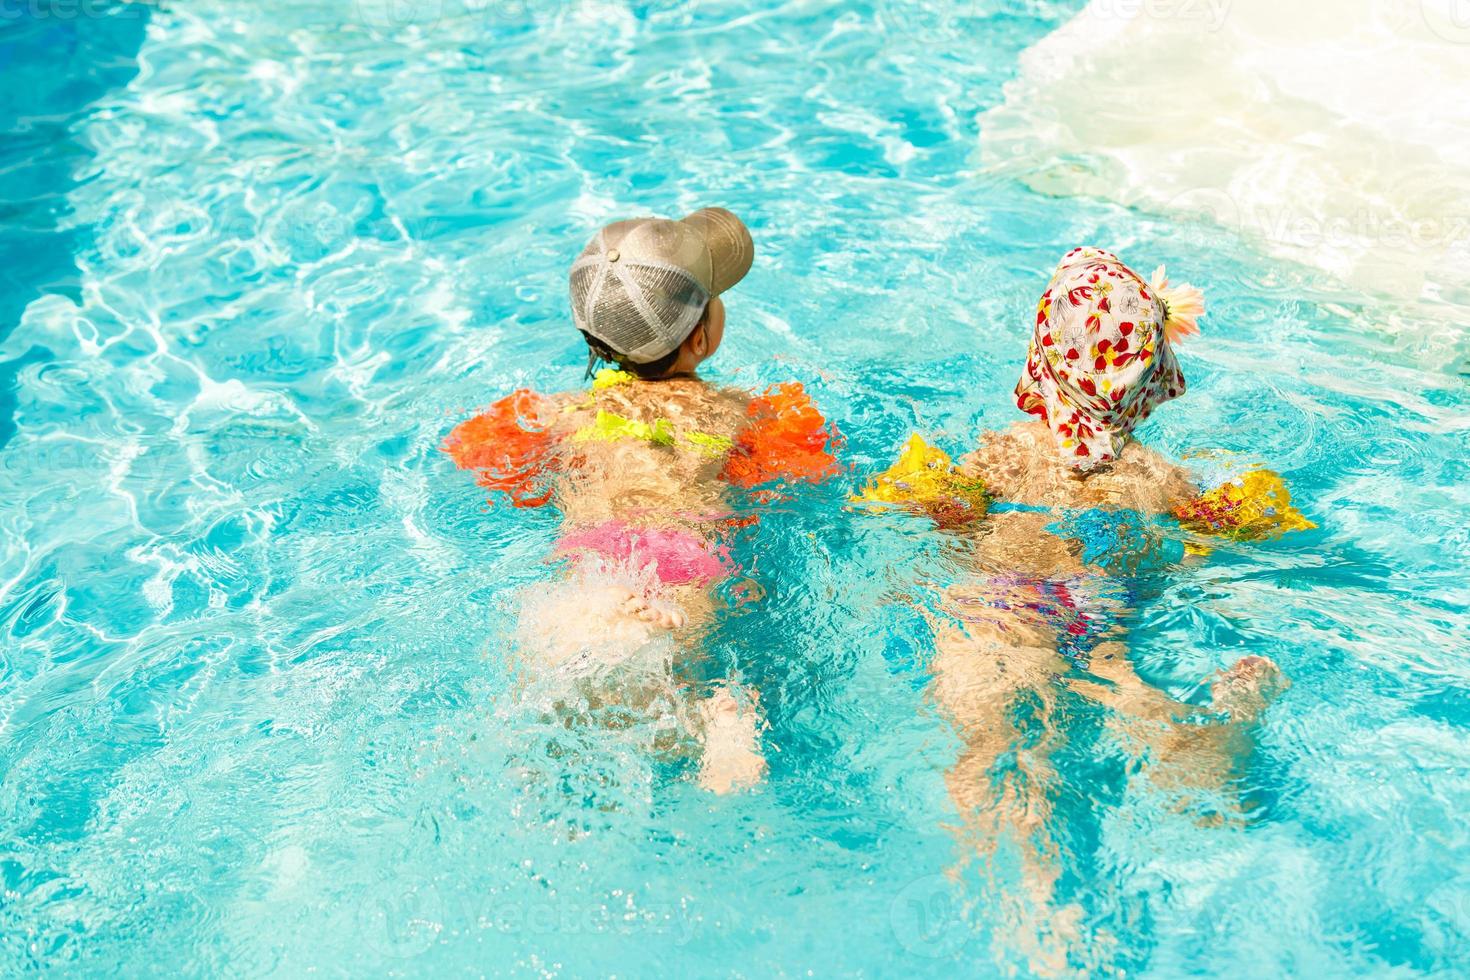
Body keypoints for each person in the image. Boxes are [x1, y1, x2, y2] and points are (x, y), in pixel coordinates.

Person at [854, 247, 1310, 943]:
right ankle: (1196, 737)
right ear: (1150, 381)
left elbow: (945, 510)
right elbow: (1219, 529)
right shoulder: (1158, 475)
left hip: (1000, 606)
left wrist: (929, 501)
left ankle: (1009, 887)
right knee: (1116, 682)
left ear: (1041, 359)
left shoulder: (1003, 453)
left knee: (993, 739)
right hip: (1094, 601)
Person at [444, 208, 842, 793]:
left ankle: (607, 633)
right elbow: (805, 475)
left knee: (563, 650)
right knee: (707, 646)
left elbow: (480, 457)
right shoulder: (739, 412)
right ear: (701, 337)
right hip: (688, 548)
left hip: (597, 549)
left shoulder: (563, 413)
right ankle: (720, 709)